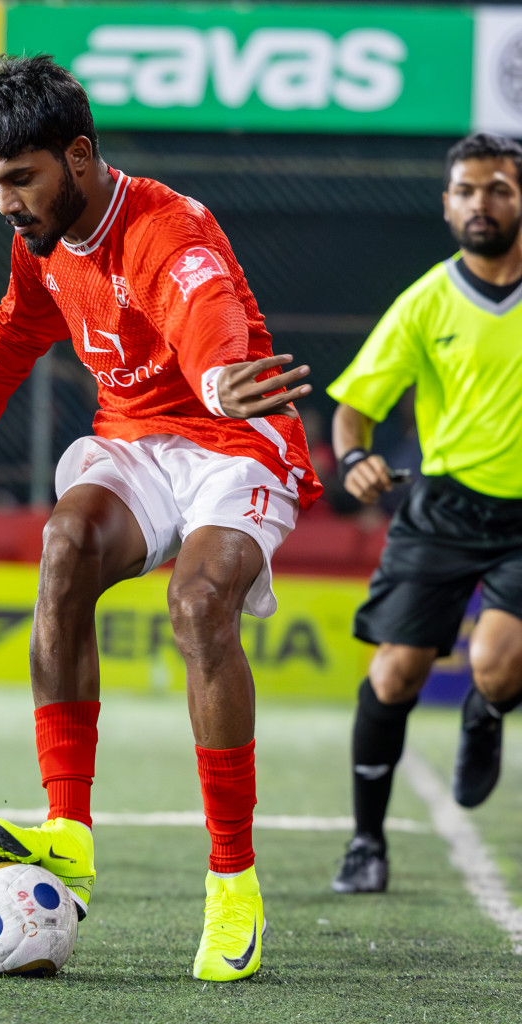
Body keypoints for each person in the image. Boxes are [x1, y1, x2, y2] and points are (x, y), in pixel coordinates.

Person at [0, 56, 321, 982]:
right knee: (63, 549)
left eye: (22, 179)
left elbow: (205, 312)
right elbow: (15, 329)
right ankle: (68, 833)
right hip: (136, 441)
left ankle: (233, 883)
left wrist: (218, 379)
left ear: (81, 157)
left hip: (237, 442)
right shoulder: (44, 240)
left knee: (198, 601)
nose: (7, 202)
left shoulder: (167, 230)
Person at [327, 133, 522, 894]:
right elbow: (353, 408)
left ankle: (487, 708)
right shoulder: (426, 301)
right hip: (440, 510)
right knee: (396, 673)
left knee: (496, 666)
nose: (483, 202)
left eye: (500, 188)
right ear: (447, 206)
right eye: (468, 190)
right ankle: (366, 841)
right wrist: (353, 459)